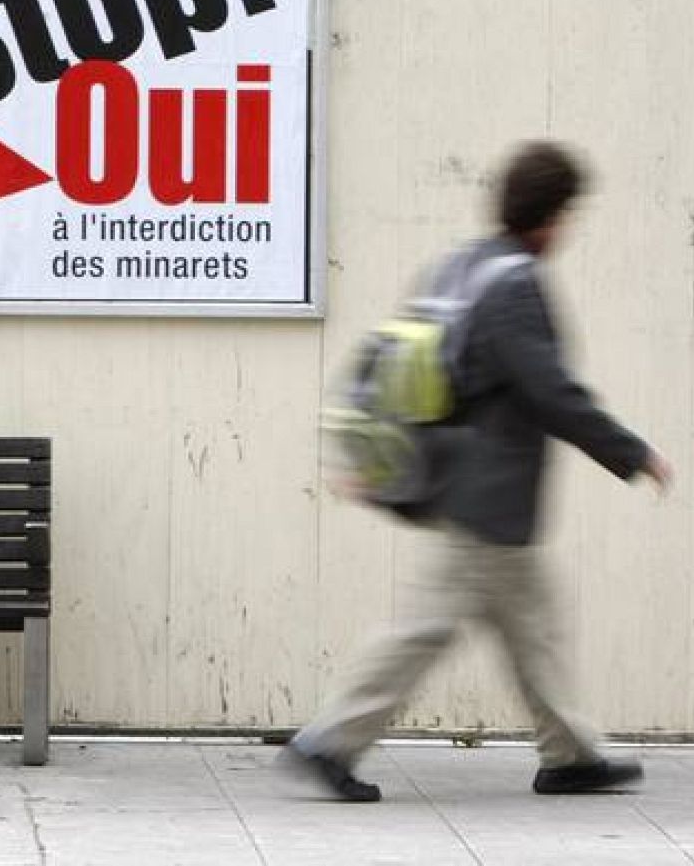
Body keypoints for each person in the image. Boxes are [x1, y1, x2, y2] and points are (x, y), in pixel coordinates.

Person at [285, 140, 673, 802]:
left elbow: (398, 365)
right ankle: (331, 740)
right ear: (551, 216)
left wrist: (378, 461)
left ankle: (570, 753)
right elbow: (551, 391)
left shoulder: (463, 265)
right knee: (427, 626)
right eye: (568, 214)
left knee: (533, 626)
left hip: (463, 481)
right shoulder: (515, 286)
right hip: (484, 495)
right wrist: (632, 452)